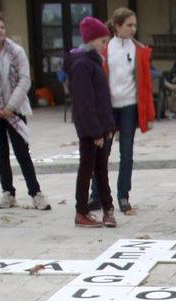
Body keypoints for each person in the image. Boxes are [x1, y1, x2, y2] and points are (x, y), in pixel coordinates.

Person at [0, 12, 51, 211]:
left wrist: (10, 107)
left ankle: (36, 193)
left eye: (2, 27)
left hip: (14, 110)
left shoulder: (16, 52)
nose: (0, 30)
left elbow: (25, 80)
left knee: (22, 151)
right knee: (1, 152)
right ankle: (8, 192)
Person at [103, 8, 155, 215]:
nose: (133, 29)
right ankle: (97, 194)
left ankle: (123, 195)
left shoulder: (139, 50)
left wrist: (149, 114)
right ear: (117, 26)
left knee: (127, 153)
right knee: (102, 152)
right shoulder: (106, 48)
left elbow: (146, 85)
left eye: (135, 25)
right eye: (129, 25)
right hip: (108, 107)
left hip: (129, 106)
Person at [68, 17, 117, 228]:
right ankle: (81, 211)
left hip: (100, 128)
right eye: (103, 41)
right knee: (87, 169)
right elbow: (85, 102)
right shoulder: (82, 65)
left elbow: (103, 99)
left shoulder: (95, 62)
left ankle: (108, 208)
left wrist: (107, 128)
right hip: (90, 130)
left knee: (101, 169)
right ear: (92, 40)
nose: (105, 46)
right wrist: (96, 131)